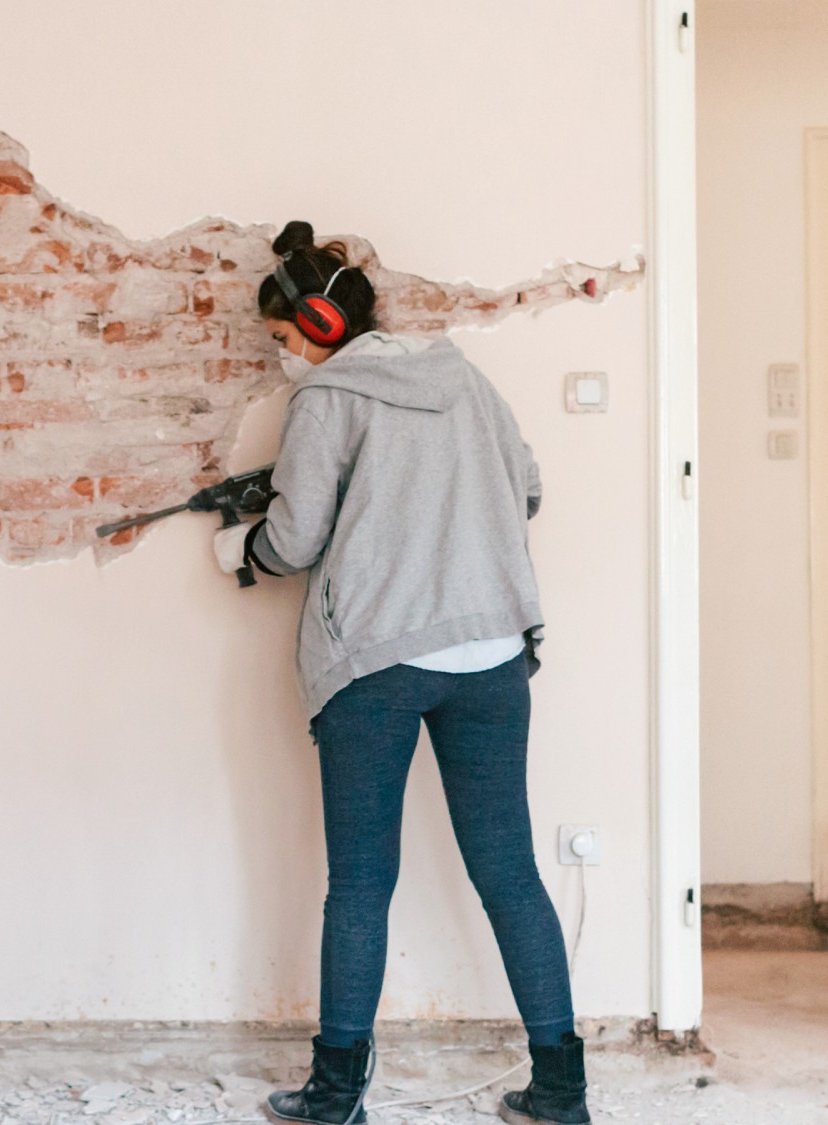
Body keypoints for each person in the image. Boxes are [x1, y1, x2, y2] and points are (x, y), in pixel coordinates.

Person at [220, 222, 586, 1125]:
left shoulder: (324, 400)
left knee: (359, 881)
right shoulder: (466, 379)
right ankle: (562, 1091)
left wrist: (242, 548)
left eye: (282, 341)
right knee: (509, 869)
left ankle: (336, 1093)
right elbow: (528, 485)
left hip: (377, 662)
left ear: (317, 324)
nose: (284, 359)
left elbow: (297, 539)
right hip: (492, 652)